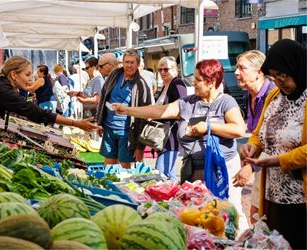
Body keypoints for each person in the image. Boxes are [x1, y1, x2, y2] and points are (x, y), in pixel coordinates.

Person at [112, 59, 248, 231]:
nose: (194, 83)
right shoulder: (188, 102)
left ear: (211, 82)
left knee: (230, 211)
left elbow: (239, 129)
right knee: (199, 213)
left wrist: (207, 127)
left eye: (198, 80)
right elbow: (159, 111)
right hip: (193, 171)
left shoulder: (226, 101)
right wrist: (128, 110)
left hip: (222, 169)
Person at [240, 39, 306, 249]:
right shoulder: (275, 96)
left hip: (301, 198)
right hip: (273, 194)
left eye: (283, 76)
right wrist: (252, 146)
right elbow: (259, 132)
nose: (278, 82)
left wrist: (279, 160)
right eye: (274, 77)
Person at [0, 56, 100, 135]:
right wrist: (76, 123)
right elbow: (37, 112)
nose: (30, 78)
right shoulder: (4, 91)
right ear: (14, 75)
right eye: (27, 74)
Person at [232, 50, 276, 224]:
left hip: (273, 168)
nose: (236, 72)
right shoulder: (250, 94)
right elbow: (256, 133)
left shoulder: (272, 95)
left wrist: (250, 167)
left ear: (259, 72)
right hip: (261, 164)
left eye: (242, 68)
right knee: (255, 216)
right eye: (236, 67)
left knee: (261, 219)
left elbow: (271, 138)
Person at [96, 48, 153, 168]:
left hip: (127, 133)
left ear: (137, 64)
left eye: (132, 62)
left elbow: (145, 117)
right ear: (122, 62)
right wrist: (99, 122)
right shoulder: (115, 75)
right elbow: (104, 97)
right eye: (126, 62)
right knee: (108, 167)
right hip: (109, 128)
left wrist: (140, 146)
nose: (129, 65)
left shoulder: (141, 85)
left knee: (124, 169)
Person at [153, 56, 187, 182]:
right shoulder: (165, 86)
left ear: (175, 70)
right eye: (160, 70)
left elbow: (182, 106)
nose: (162, 72)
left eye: (166, 69)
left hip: (171, 137)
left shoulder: (176, 83)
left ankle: (167, 199)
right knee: (168, 175)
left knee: (161, 174)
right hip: (163, 138)